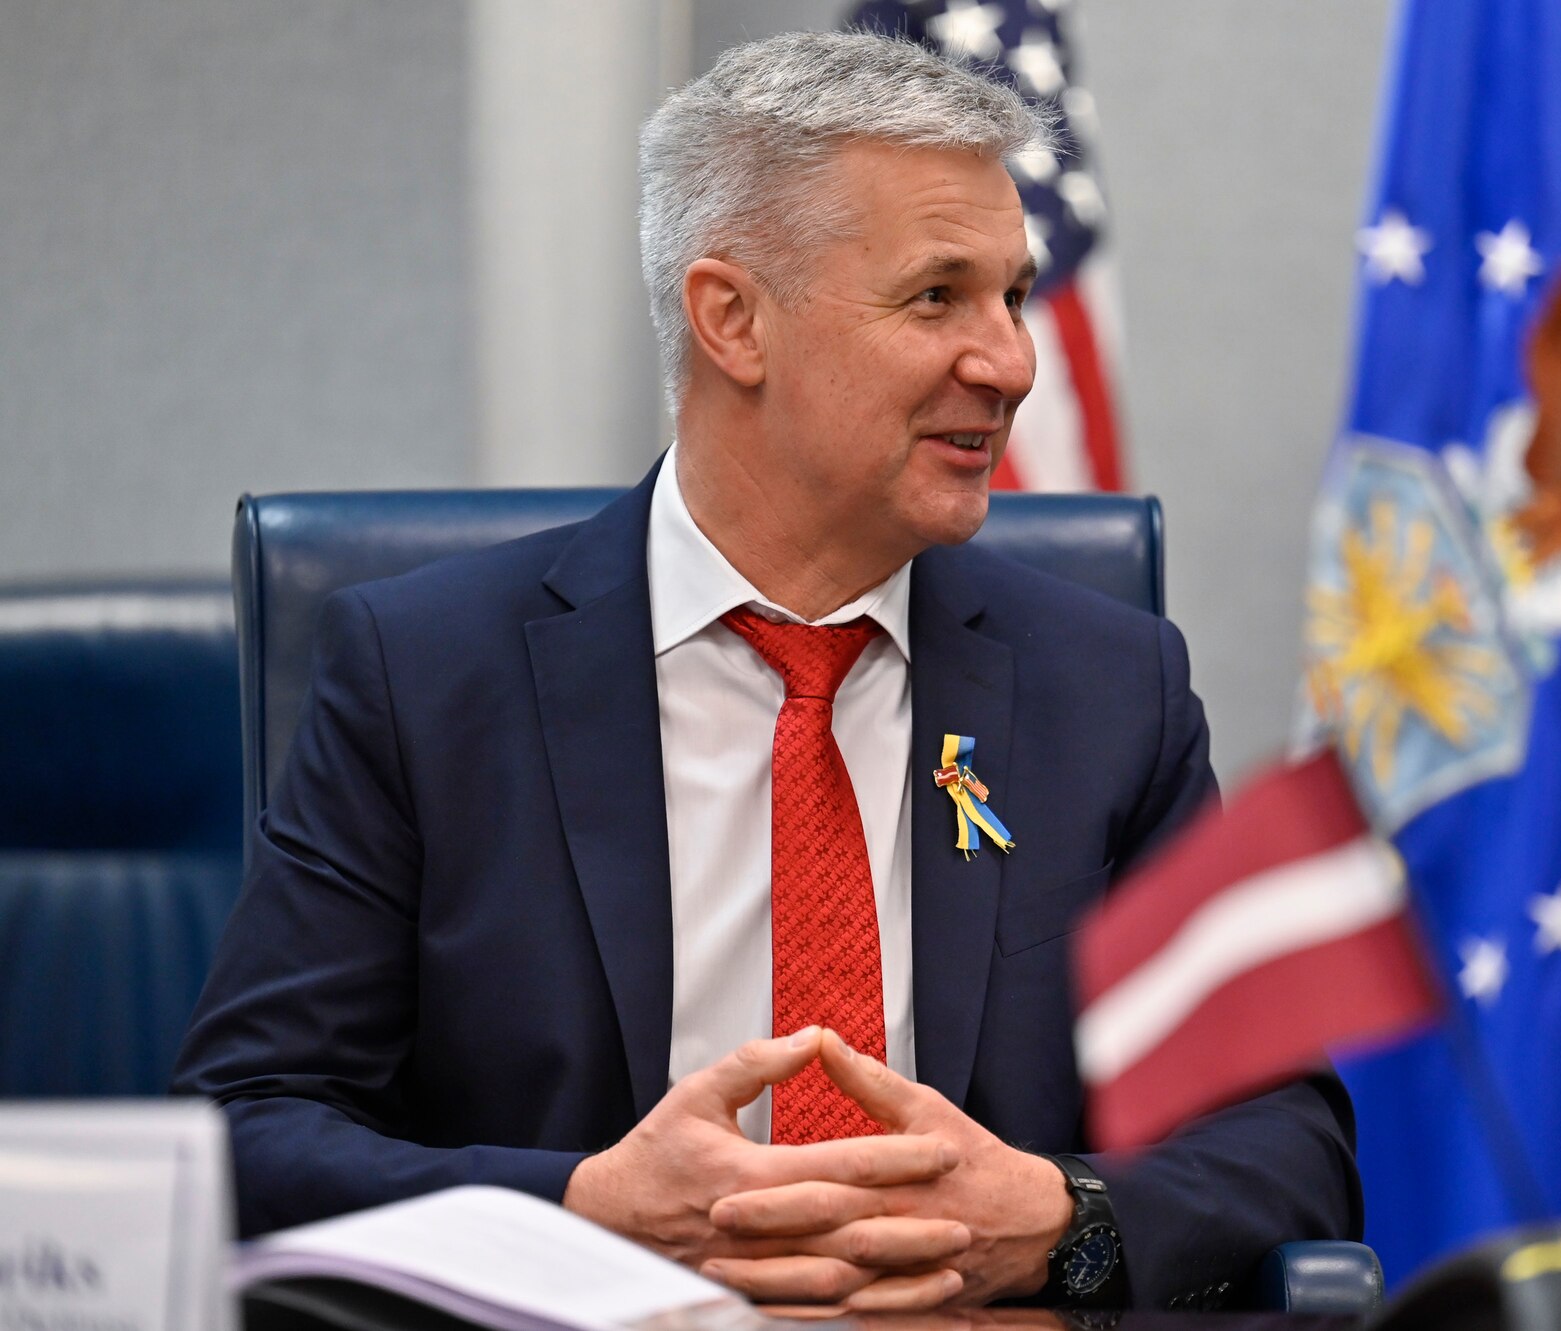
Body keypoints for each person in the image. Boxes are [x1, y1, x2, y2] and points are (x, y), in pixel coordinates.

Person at [174, 30, 1358, 1310]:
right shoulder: (425, 673)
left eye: (1011, 294)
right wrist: (577, 1210)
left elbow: (1284, 1137)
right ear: (731, 319)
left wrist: (1059, 1218)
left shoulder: (1105, 685)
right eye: (935, 297)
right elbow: (246, 1127)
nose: (1009, 362)